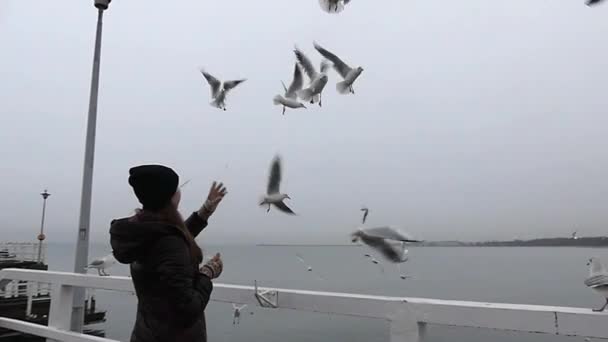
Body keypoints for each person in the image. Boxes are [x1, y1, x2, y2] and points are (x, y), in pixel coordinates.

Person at [110, 165, 227, 342]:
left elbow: (168, 242)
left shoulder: (142, 232)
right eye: (176, 188)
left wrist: (204, 212)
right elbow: (187, 309)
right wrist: (207, 273)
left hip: (146, 334)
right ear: (169, 196)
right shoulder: (167, 242)